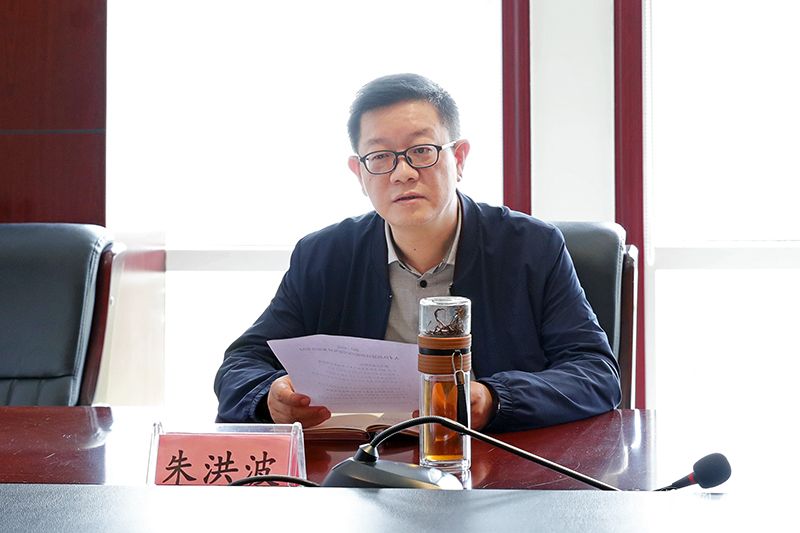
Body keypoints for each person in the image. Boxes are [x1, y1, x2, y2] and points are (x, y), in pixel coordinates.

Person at [214, 73, 620, 432]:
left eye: (422, 151)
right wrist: (269, 398)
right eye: (380, 157)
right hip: (359, 470)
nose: (403, 172)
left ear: (458, 158)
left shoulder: (532, 247)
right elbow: (242, 363)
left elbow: (596, 373)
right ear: (359, 173)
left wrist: (493, 399)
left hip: (498, 463)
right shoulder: (323, 256)